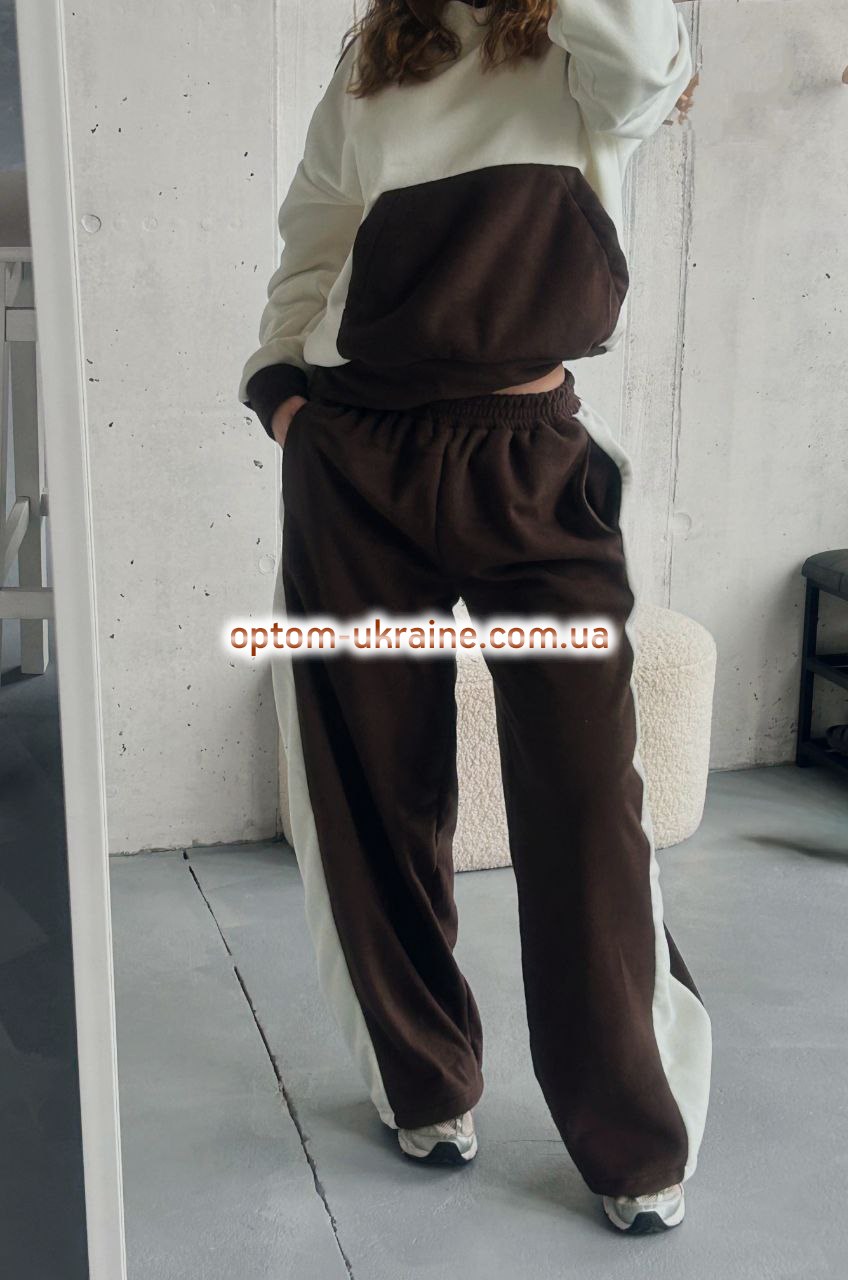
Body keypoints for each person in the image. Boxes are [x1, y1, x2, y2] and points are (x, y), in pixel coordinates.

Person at [238, 0, 711, 1236]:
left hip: (527, 462)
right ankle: (424, 1082)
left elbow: (646, 62)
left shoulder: (587, 42)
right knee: (371, 785)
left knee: (584, 797)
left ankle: (632, 1139)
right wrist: (282, 388)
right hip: (356, 460)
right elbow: (317, 224)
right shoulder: (380, 51)